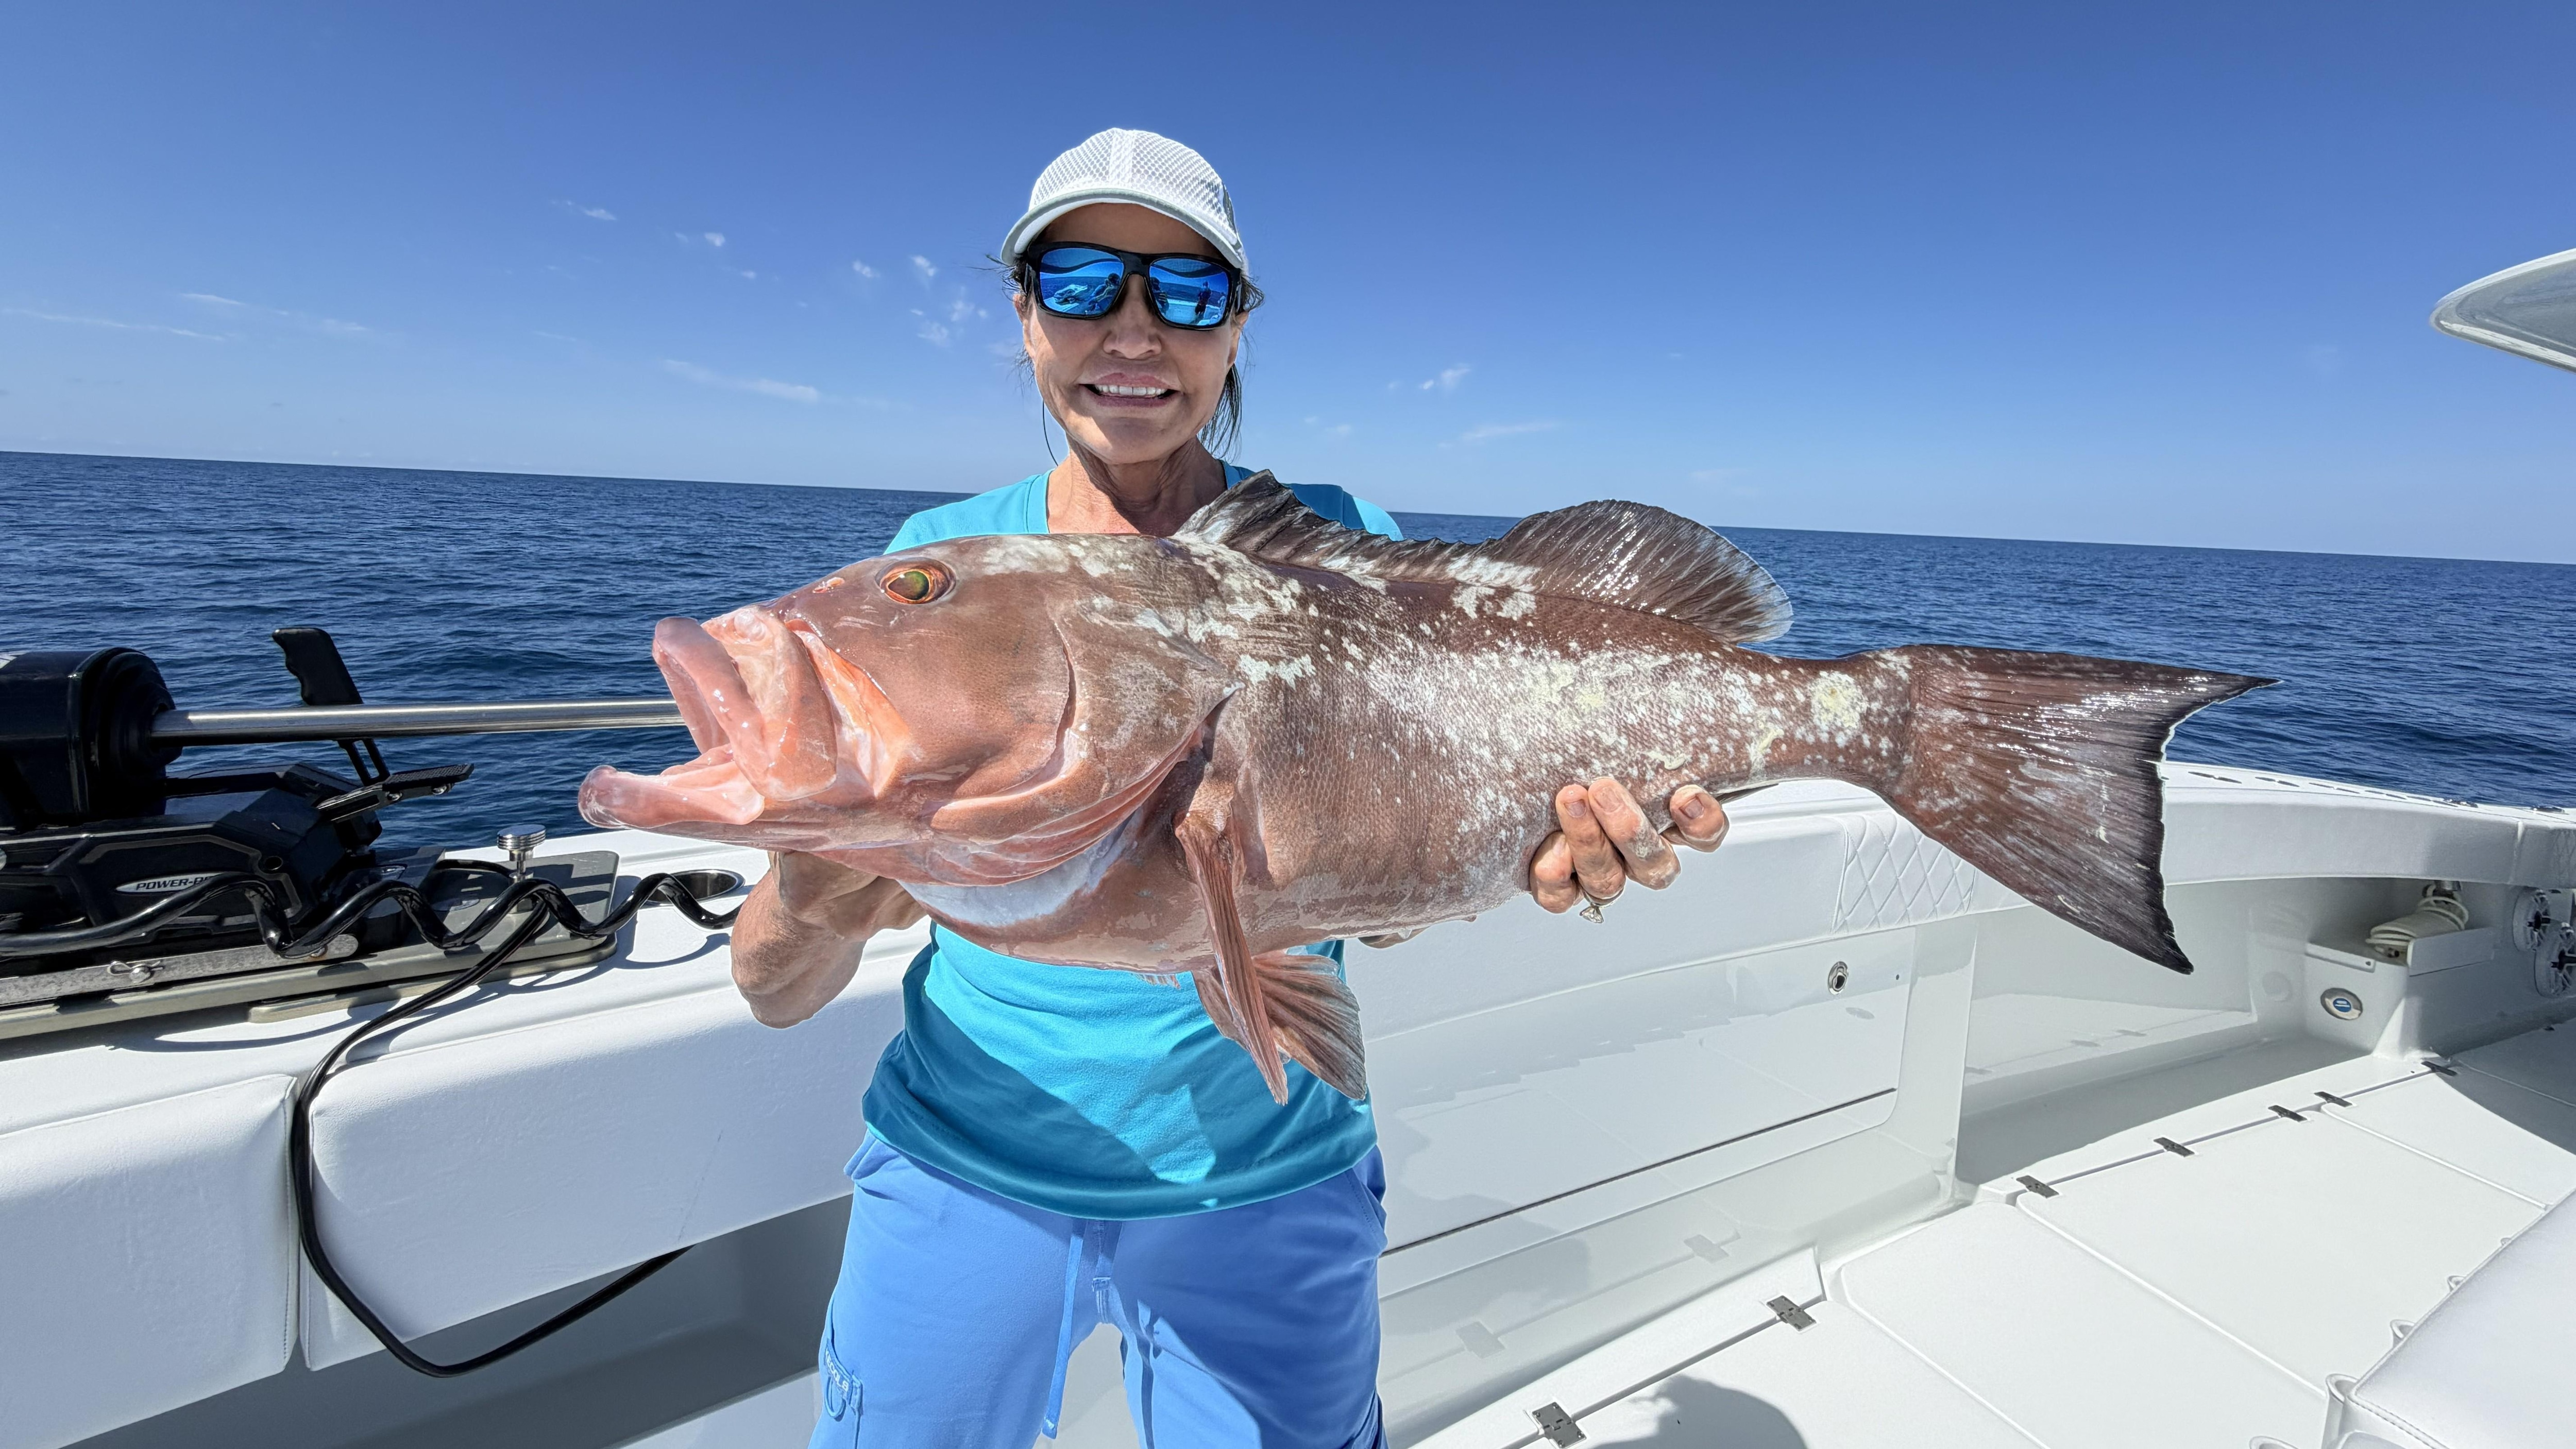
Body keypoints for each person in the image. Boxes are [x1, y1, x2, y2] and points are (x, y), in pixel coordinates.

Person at [731, 129, 1732, 1448]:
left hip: (1270, 1166)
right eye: (1085, 282)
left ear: (1236, 329)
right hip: (963, 1161)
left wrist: (1555, 858)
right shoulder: (939, 568)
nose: (1134, 332)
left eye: (1186, 292)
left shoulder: (1333, 551)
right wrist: (817, 873)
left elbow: (1365, 903)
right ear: (1025, 314)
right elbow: (775, 989)